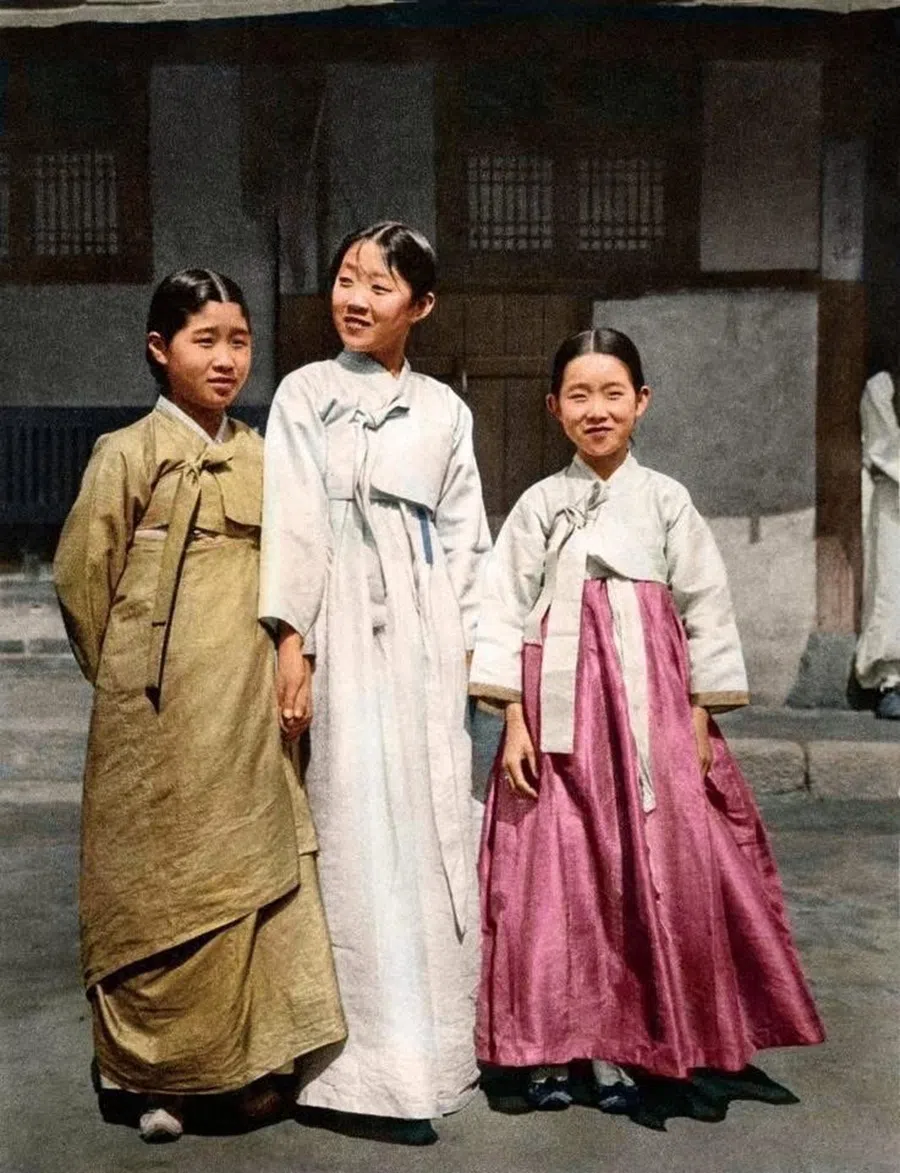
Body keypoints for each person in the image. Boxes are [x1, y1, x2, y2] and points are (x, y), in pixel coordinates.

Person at [468, 327, 825, 1114]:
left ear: (642, 402)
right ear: (554, 406)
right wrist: (515, 723)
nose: (596, 410)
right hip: (556, 713)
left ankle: (635, 1037)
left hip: (649, 706)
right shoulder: (538, 504)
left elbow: (706, 609)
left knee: (654, 868)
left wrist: (699, 713)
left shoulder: (666, 500)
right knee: (554, 875)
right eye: (579, 395)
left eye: (613, 393)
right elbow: (498, 612)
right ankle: (550, 1046)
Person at [54, 268, 346, 1144]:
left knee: (248, 872)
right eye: (204, 340)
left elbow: (301, 572)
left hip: (246, 699)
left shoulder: (266, 457)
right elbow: (82, 581)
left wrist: (291, 660)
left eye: (240, 341)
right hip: (152, 703)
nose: (225, 359)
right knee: (155, 883)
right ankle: (156, 1075)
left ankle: (244, 1069)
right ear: (159, 349)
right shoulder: (126, 452)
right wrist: (132, 674)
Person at [260, 222, 491, 1145]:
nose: (355, 299)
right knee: (352, 826)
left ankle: (435, 1057)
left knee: (430, 822)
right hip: (342, 629)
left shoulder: (445, 410)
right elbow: (295, 524)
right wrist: (292, 643)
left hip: (426, 634)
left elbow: (469, 538)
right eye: (347, 279)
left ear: (422, 307)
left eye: (380, 287)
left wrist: (475, 659)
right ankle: (351, 1071)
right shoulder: (305, 393)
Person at [854, 368, 900, 719]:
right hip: (894, 500)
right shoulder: (882, 387)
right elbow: (885, 447)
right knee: (892, 588)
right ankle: (891, 681)